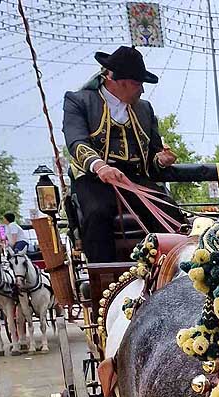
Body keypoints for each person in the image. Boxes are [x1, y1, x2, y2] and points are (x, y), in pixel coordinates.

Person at [63, 45, 181, 262]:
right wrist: (101, 166)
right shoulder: (78, 101)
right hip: (94, 178)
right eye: (137, 84)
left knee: (169, 209)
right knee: (97, 214)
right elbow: (76, 142)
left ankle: (171, 270)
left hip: (133, 180)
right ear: (115, 80)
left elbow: (152, 155)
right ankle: (105, 278)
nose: (142, 90)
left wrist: (162, 160)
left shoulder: (145, 109)